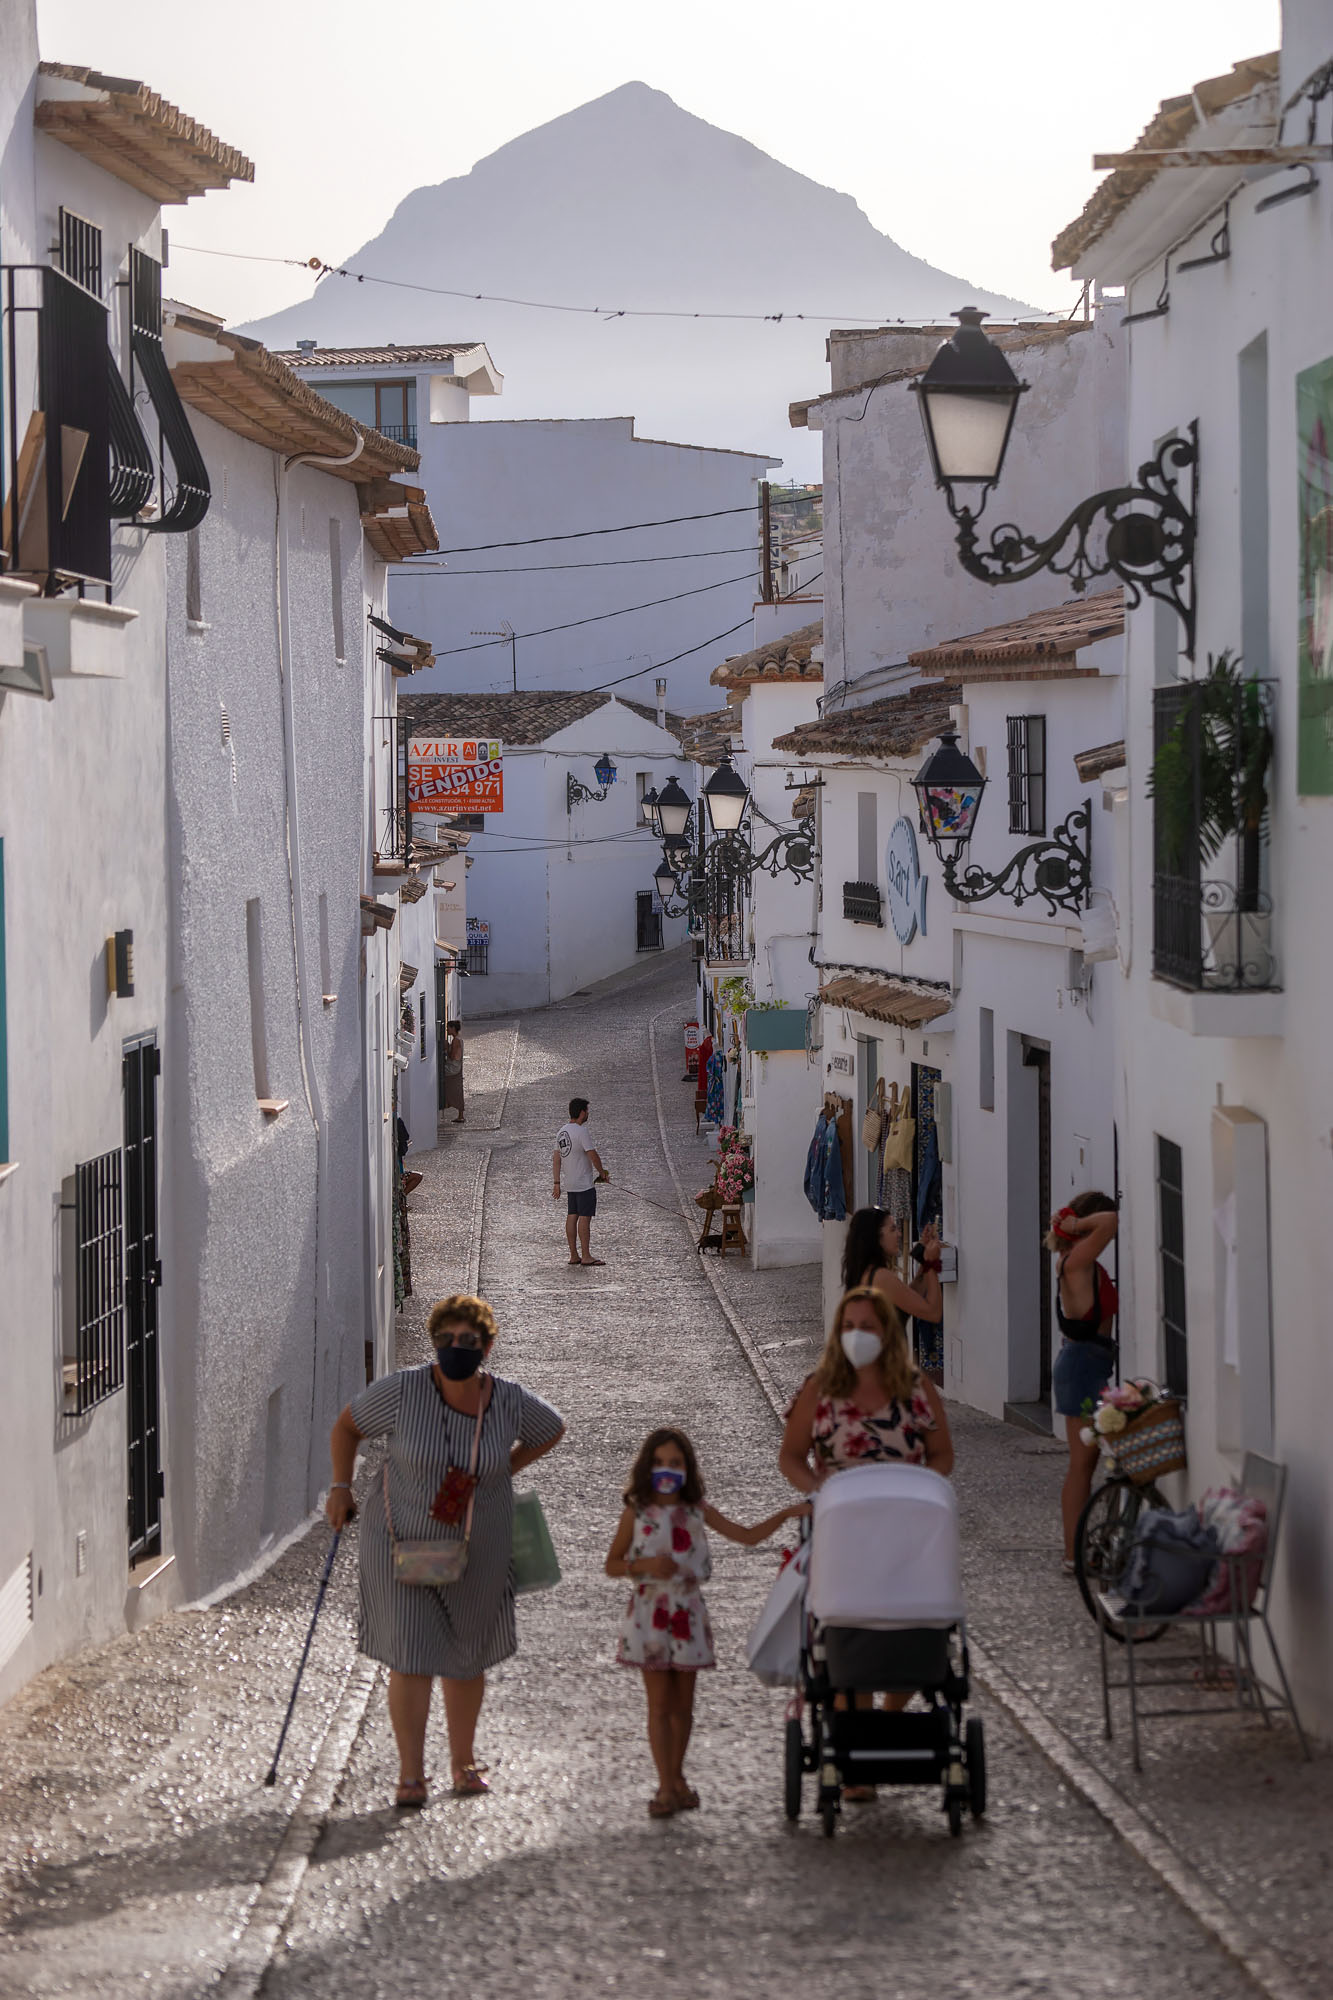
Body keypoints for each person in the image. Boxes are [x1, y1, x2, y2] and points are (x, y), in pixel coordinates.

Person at [324, 1293, 565, 1807]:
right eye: (447, 1340)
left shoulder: (509, 1400)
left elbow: (552, 1429)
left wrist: (501, 1471)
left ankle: (463, 1763)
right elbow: (347, 1427)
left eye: (469, 1341)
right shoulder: (404, 1391)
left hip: (480, 1543)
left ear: (488, 1345)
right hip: (401, 1540)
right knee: (411, 1657)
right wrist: (341, 1488)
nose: (457, 1348)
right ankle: (411, 1776)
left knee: (466, 1655)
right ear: (434, 1343)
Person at [779, 1287, 953, 1786]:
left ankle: (888, 1723)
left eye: (869, 1327)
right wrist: (818, 1489)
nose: (859, 1336)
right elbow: (791, 1455)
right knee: (846, 1634)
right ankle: (854, 1747)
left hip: (907, 1533)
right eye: (850, 1326)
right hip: (843, 1531)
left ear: (887, 1334)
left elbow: (942, 1454)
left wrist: (923, 1488)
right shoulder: (820, 1388)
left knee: (913, 1627)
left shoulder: (916, 1388)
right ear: (838, 1333)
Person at [605, 1426, 807, 1818]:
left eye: (675, 1463)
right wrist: (643, 1565)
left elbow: (746, 1537)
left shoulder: (698, 1511)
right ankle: (665, 1785)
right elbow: (612, 1564)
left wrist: (786, 1514)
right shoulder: (637, 1511)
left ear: (687, 1468)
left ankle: (676, 1779)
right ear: (648, 1467)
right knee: (659, 1704)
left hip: (687, 1615)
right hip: (649, 1614)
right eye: (660, 1462)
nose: (667, 1470)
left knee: (683, 1706)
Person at [1046, 1192, 1119, 1572]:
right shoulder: (1076, 1261)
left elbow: (1107, 1222)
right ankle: (1073, 1554)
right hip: (1081, 1365)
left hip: (1090, 1363)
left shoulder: (1079, 1261)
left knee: (1088, 1461)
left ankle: (1079, 1549)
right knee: (1081, 1463)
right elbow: (1110, 1222)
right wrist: (1074, 1225)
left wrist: (1075, 1224)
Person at [841, 1205, 944, 1347]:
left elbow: (910, 1298)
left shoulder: (868, 1272)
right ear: (876, 1238)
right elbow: (933, 1313)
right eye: (893, 1229)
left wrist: (924, 1258)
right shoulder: (881, 1277)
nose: (899, 1234)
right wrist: (932, 1263)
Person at [553, 1096, 606, 1267]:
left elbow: (556, 1158)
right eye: (587, 1110)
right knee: (584, 1217)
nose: (588, 1113)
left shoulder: (561, 1131)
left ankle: (573, 1255)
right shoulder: (581, 1131)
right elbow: (592, 1154)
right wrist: (602, 1172)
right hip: (584, 1182)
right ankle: (586, 1255)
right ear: (582, 1112)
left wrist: (557, 1183)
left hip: (570, 1182)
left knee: (572, 1216)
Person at [442, 1020, 465, 1126]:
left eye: (448, 1028)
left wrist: (446, 1048)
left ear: (453, 1028)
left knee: (450, 1087)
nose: (447, 1030)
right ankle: (459, 1113)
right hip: (457, 1067)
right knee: (457, 1089)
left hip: (453, 1068)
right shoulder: (459, 1039)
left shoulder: (456, 1040)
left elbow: (452, 1056)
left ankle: (447, 1104)